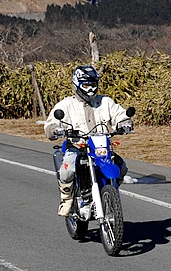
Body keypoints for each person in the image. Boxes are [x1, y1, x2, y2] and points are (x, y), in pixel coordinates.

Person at [44, 64, 133, 216]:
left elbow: (121, 115)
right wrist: (55, 129)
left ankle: (109, 191)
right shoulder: (66, 104)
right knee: (68, 169)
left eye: (93, 84)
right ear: (77, 84)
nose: (91, 88)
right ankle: (67, 200)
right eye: (86, 84)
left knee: (121, 167)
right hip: (77, 146)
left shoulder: (105, 102)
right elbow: (51, 124)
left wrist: (125, 123)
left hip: (101, 148)